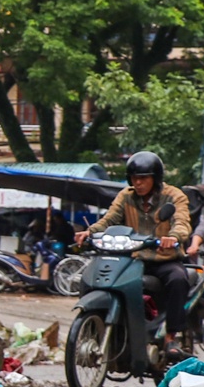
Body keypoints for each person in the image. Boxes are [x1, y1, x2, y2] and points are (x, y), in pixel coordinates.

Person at [77, 152, 195, 354]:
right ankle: (101, 325)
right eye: (134, 178)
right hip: (133, 258)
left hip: (163, 259)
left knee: (178, 279)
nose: (138, 183)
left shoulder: (174, 196)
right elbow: (110, 219)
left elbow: (182, 222)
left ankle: (170, 338)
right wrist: (90, 232)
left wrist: (173, 237)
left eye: (143, 178)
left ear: (155, 179)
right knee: (96, 277)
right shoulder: (126, 196)